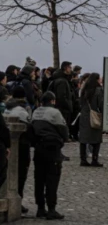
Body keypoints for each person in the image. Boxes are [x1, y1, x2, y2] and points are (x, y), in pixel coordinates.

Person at [30, 91, 67, 220]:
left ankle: (40, 208)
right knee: (52, 178)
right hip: (52, 148)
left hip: (39, 148)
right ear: (52, 101)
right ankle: (51, 209)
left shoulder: (35, 112)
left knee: (39, 178)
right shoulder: (55, 113)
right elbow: (63, 130)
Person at [3, 87, 31, 215]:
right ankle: (17, 200)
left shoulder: (7, 108)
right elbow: (29, 128)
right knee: (21, 174)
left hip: (6, 145)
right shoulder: (23, 110)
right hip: (22, 145)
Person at [78, 72, 104, 167]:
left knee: (84, 139)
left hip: (84, 115)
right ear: (96, 79)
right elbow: (100, 104)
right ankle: (94, 159)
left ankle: (83, 159)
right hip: (94, 116)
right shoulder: (99, 90)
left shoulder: (84, 89)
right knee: (96, 139)